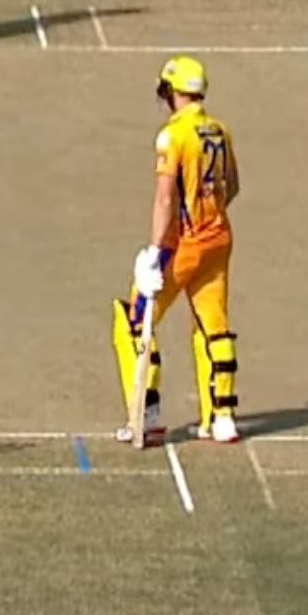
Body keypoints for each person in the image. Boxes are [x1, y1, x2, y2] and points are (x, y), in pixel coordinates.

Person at [112, 55, 242, 444]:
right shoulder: (219, 130)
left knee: (136, 320)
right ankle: (221, 416)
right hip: (218, 239)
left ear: (172, 92)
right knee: (213, 324)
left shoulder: (173, 136)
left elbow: (165, 198)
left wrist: (155, 251)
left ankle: (146, 414)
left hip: (182, 245)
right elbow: (232, 185)